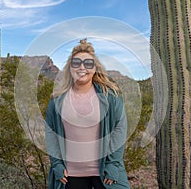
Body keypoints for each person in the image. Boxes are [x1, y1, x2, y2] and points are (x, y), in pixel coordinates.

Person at [45, 39, 130, 189]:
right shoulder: (57, 101)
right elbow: (51, 133)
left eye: (88, 63)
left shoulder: (110, 97)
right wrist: (56, 164)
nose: (82, 67)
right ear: (70, 67)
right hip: (70, 175)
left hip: (104, 173)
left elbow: (119, 129)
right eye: (76, 63)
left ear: (95, 68)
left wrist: (113, 164)